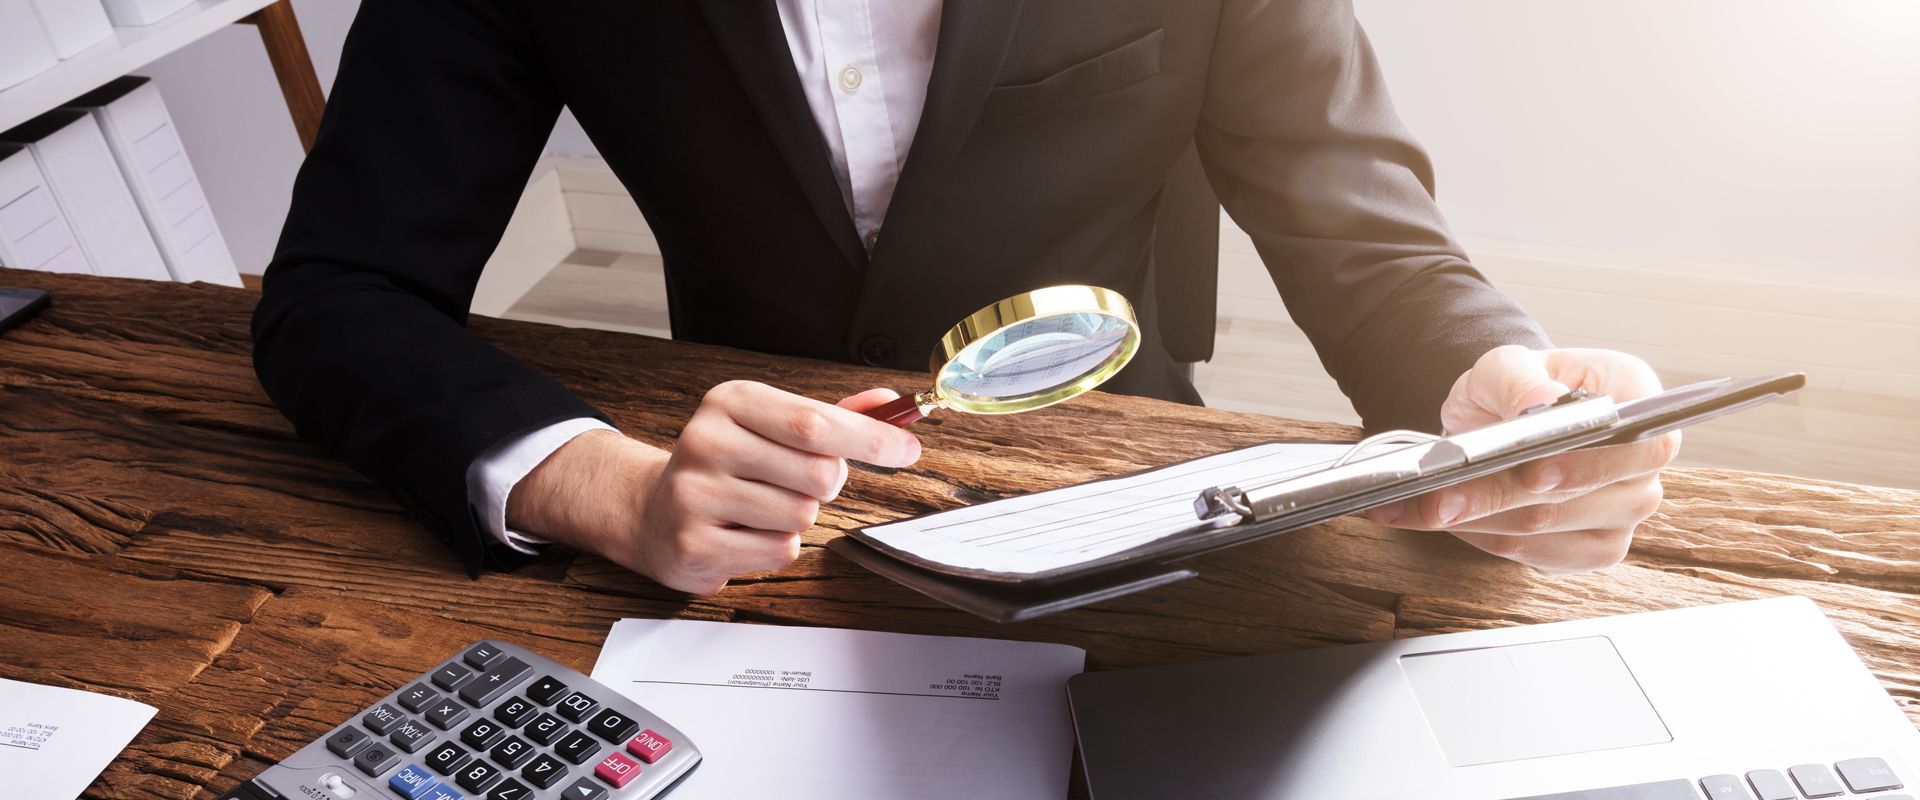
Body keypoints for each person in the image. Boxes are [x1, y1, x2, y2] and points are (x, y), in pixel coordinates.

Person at [254, 1, 1675, 597]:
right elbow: (338, 291)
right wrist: (596, 486)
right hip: (744, 530)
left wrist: (1488, 389)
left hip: (1119, 495)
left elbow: (1360, 228)